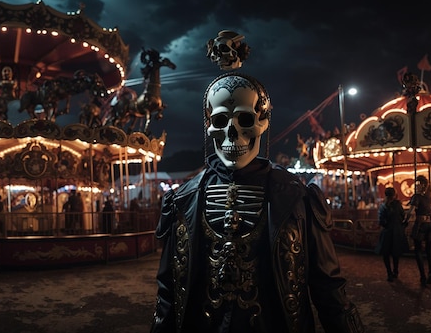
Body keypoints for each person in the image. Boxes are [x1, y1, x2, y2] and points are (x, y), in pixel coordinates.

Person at [150, 72, 363, 333]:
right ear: (209, 126)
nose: (231, 132)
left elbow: (328, 289)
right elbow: (168, 291)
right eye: (220, 121)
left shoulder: (297, 198)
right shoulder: (183, 200)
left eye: (244, 119)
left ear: (262, 122)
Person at [406, 175, 431, 287]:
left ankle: (423, 276)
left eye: (417, 184)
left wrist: (405, 221)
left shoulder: (416, 197)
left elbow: (411, 211)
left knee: (418, 250)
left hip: (421, 225)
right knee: (428, 250)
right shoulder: (429, 197)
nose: (416, 186)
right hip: (430, 224)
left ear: (422, 185)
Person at [375, 187, 407, 282]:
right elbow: (403, 216)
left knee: (386, 253)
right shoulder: (398, 205)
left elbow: (381, 220)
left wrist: (386, 224)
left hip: (387, 231)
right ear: (394, 195)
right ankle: (395, 271)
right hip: (397, 231)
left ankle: (389, 273)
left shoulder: (383, 206)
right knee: (395, 253)